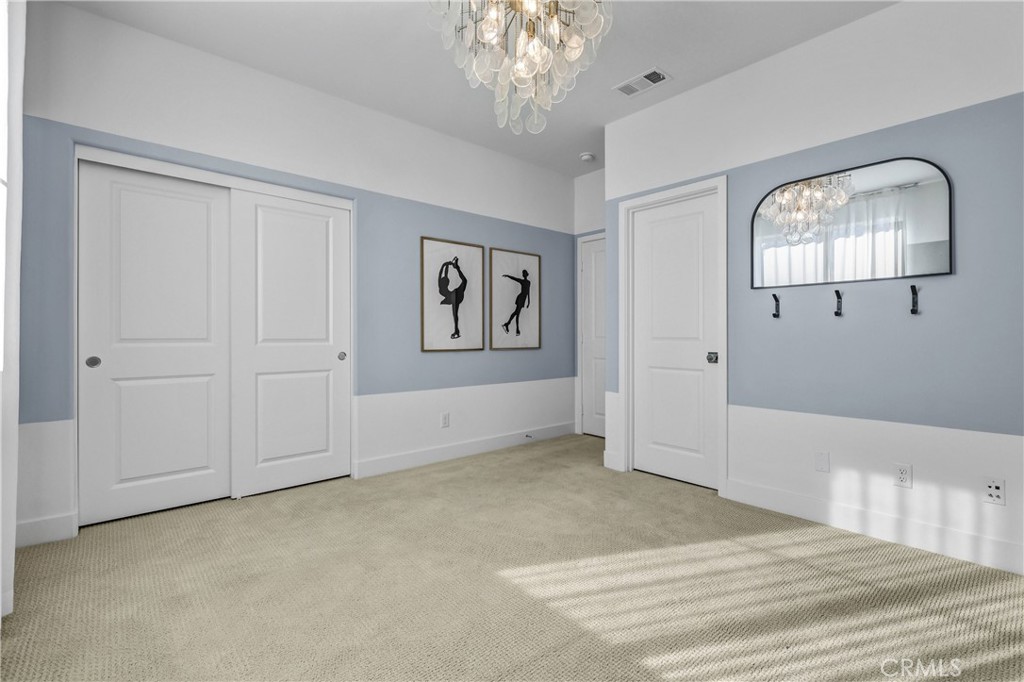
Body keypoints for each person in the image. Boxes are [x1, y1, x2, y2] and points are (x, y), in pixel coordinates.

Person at [438, 257, 467, 339]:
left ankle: (456, 267)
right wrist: (444, 265)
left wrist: (447, 265)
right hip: (452, 297)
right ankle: (456, 331)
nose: (448, 281)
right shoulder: (441, 288)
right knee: (455, 314)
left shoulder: (443, 285)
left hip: (456, 294)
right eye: (447, 281)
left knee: (464, 281)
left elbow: (445, 273)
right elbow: (441, 274)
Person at [501, 269, 531, 336]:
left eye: (524, 273)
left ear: (526, 274)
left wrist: (529, 302)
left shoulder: (529, 282)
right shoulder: (522, 281)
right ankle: (517, 329)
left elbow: (528, 292)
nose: (524, 274)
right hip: (520, 298)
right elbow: (514, 278)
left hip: (523, 299)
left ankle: (507, 324)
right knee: (517, 314)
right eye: (523, 273)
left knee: (515, 313)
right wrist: (508, 276)